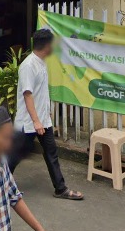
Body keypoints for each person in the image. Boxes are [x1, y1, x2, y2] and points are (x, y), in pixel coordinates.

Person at [8, 29, 83, 200]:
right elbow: (27, 95)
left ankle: (60, 189)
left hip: (43, 120)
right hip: (29, 122)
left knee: (51, 152)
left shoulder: (42, 62)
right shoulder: (28, 66)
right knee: (16, 156)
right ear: (47, 46)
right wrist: (36, 122)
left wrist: (44, 114)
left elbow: (39, 92)